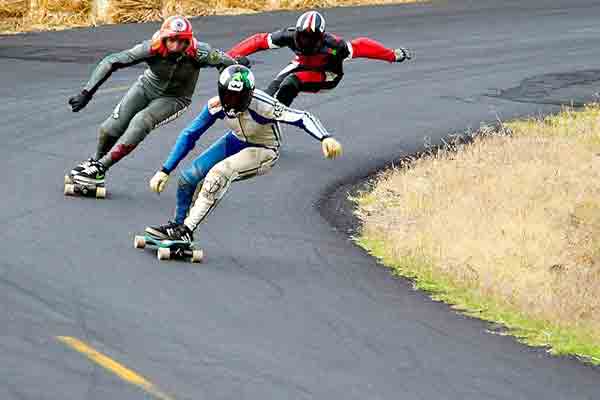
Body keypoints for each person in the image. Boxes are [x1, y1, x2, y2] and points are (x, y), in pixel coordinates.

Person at [143, 64, 342, 242]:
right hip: (237, 140)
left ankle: (187, 230)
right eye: (228, 96)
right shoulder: (216, 105)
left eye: (239, 97)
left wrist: (325, 137)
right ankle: (177, 225)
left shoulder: (263, 105)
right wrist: (165, 170)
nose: (232, 102)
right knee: (188, 177)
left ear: (250, 95)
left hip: (264, 149)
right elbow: (190, 134)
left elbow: (301, 117)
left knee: (218, 174)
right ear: (221, 92)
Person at [67, 15, 238, 187]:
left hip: (175, 98)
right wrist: (86, 92)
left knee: (141, 122)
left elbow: (226, 63)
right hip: (146, 87)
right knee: (110, 127)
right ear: (164, 38)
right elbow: (113, 61)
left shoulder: (200, 52)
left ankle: (102, 167)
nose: (177, 46)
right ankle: (95, 164)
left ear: (189, 40)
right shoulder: (150, 48)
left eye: (182, 41)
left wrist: (236, 70)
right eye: (172, 40)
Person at [226, 10, 413, 107]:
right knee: (267, 92)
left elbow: (362, 46)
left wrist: (392, 55)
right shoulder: (289, 36)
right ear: (297, 32)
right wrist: (230, 56)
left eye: (311, 38)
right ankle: (260, 122)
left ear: (321, 37)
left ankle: (273, 123)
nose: (305, 41)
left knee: (291, 82)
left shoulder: (334, 46)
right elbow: (258, 41)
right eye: (302, 36)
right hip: (301, 65)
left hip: (327, 74)